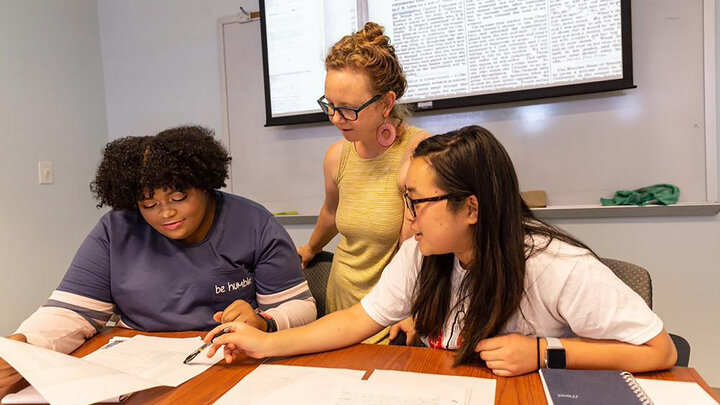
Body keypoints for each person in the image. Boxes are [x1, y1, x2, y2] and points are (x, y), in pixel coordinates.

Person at [203, 125, 677, 376]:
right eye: (403, 198)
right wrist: (266, 344)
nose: (406, 217)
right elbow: (356, 319)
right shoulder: (424, 253)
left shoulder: (554, 266)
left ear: (470, 207)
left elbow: (660, 351)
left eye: (416, 201)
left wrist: (542, 352)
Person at [0, 125, 316, 391]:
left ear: (205, 184)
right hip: (134, 372)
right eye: (148, 204)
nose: (165, 213)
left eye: (178, 198)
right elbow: (72, 311)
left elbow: (300, 307)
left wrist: (263, 321)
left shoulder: (252, 223)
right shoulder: (117, 229)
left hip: (229, 364)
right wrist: (24, 346)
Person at [295, 22, 429, 342]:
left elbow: (416, 249)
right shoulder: (336, 156)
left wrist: (414, 311)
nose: (336, 119)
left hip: (393, 311)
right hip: (341, 304)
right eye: (330, 106)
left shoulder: (418, 153)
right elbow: (331, 211)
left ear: (385, 103)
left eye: (348, 110)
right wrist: (310, 248)